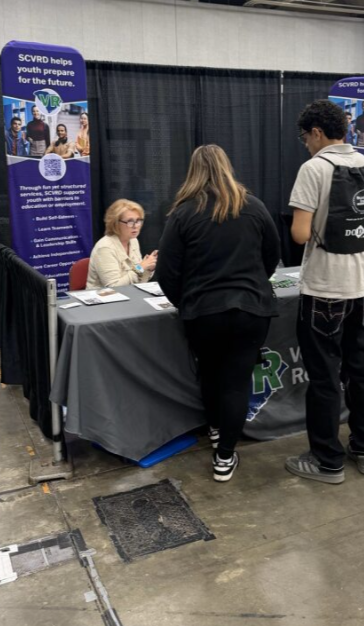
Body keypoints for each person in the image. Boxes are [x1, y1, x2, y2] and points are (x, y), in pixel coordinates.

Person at [156, 145, 280, 482]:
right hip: (251, 310)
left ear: (193, 171)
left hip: (204, 312)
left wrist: (188, 301)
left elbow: (166, 272)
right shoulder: (253, 207)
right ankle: (225, 456)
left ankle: (215, 432)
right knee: (237, 384)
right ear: (228, 166)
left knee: (210, 375)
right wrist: (254, 284)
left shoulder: (183, 214)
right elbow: (272, 256)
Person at [284, 100, 364, 485]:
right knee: (359, 371)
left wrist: (322, 231)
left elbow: (298, 233)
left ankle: (327, 461)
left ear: (316, 132)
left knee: (325, 377)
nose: (305, 145)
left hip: (323, 288)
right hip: (361, 287)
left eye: (305, 137)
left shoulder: (313, 169)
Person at [86, 200, 157, 289]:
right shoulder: (105, 247)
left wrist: (149, 268)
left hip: (130, 295)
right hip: (104, 299)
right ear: (115, 223)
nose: (135, 226)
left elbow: (139, 281)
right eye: (130, 221)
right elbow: (114, 287)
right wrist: (141, 267)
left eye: (138, 221)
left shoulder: (133, 241)